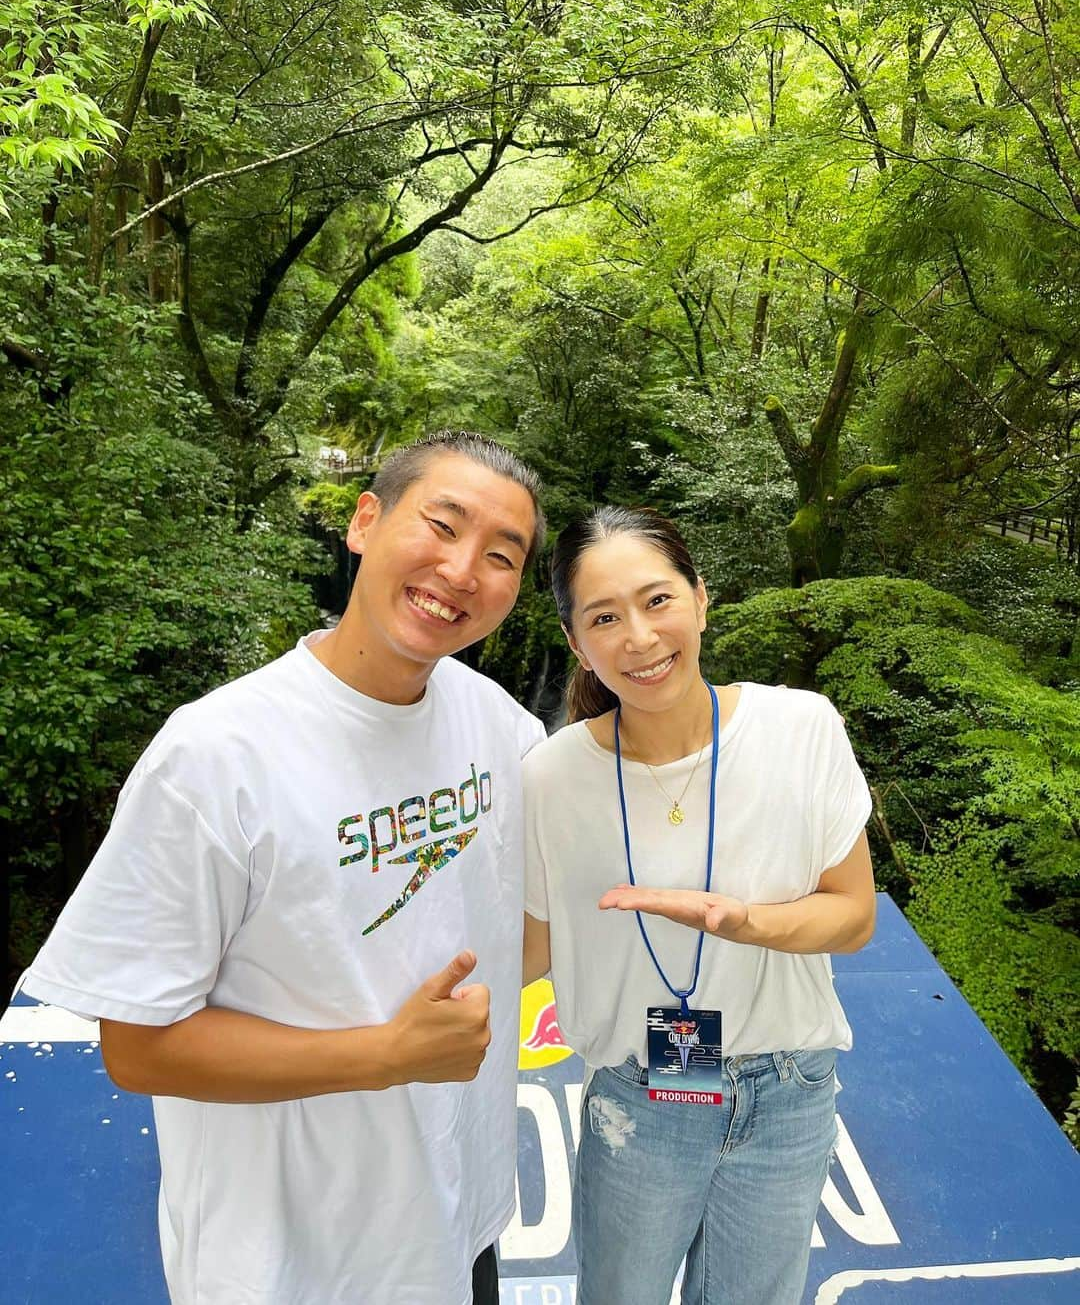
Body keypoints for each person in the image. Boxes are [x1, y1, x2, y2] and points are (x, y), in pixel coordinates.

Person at [16, 431, 548, 1305]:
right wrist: (387, 1053)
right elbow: (140, 1048)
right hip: (290, 1267)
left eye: (500, 556)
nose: (461, 571)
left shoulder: (496, 724)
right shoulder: (215, 755)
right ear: (365, 521)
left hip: (457, 1228)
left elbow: (514, 908)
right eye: (442, 525)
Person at [521, 506, 875, 1305]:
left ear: (701, 599)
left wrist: (747, 922)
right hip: (640, 1102)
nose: (639, 638)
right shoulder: (550, 778)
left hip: (788, 1093)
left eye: (657, 601)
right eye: (604, 617)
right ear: (577, 643)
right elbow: (531, 946)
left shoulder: (800, 727)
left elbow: (852, 915)